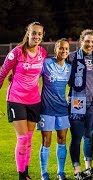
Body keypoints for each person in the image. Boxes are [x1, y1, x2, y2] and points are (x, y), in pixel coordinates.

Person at [0, 22, 47, 180]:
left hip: (34, 100)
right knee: (22, 137)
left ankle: (25, 173)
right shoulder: (17, 52)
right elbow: (2, 73)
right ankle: (21, 175)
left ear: (43, 35)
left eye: (39, 34)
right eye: (34, 33)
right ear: (28, 33)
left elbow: (42, 74)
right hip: (16, 99)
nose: (36, 36)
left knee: (29, 137)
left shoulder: (43, 53)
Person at [68, 29, 93, 180]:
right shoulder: (72, 57)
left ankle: (88, 168)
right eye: (87, 41)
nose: (90, 44)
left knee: (89, 136)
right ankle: (77, 170)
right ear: (81, 41)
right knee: (76, 137)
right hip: (76, 102)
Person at [37, 38, 72, 180]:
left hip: (62, 109)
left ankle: (60, 171)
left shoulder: (69, 68)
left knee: (62, 139)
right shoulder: (46, 63)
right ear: (55, 49)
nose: (63, 51)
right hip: (46, 109)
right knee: (46, 141)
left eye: (66, 49)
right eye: (61, 48)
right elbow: (33, 77)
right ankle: (44, 172)